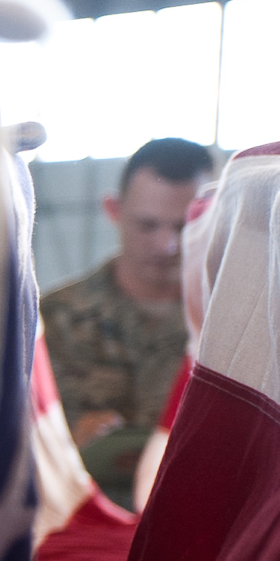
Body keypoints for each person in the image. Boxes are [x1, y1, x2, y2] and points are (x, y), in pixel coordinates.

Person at [39, 135, 213, 509]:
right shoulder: (49, 321)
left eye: (183, 226)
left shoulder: (231, 328)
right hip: (79, 526)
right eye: (148, 225)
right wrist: (71, 436)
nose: (166, 245)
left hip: (192, 523)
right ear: (114, 209)